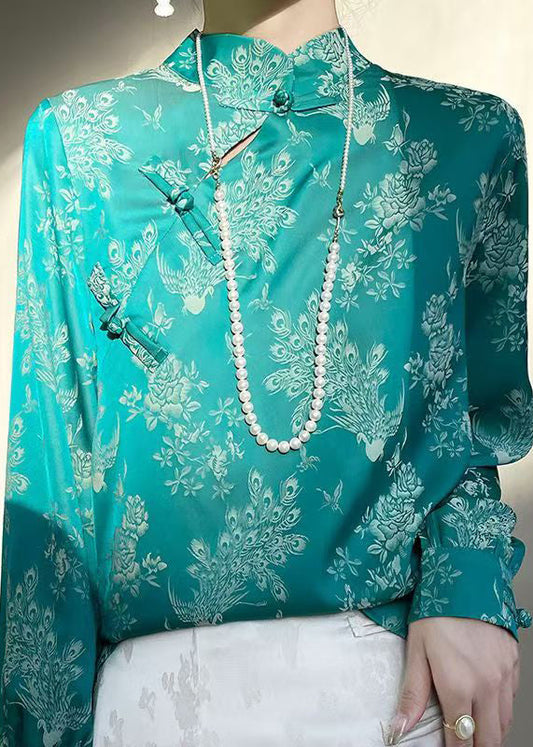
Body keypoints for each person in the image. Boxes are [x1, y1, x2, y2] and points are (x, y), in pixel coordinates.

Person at [1, 0, 531, 744]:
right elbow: (51, 481)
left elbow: (473, 421)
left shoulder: (468, 136)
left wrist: (469, 586)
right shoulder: (80, 141)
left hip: (393, 696)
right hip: (156, 708)